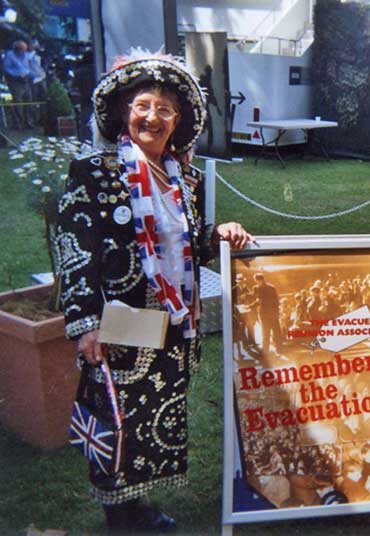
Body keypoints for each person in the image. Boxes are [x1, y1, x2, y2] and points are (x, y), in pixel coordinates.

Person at [56, 50, 252, 532]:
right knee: (117, 414)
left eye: (165, 110)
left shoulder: (184, 177)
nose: (153, 117)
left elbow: (186, 241)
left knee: (149, 416)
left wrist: (216, 234)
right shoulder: (95, 171)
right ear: (126, 110)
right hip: (117, 323)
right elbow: (74, 248)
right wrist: (85, 324)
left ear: (178, 119)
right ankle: (118, 514)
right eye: (144, 105)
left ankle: (135, 504)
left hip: (166, 325)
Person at [2, 40, 34, 129]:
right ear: (17, 49)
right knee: (18, 103)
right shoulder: (9, 55)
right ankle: (18, 124)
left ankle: (29, 122)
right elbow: (6, 68)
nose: (24, 52)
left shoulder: (26, 55)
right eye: (22, 50)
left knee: (29, 101)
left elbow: (28, 67)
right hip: (15, 82)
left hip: (26, 80)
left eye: (25, 50)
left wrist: (30, 75)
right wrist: (16, 76)